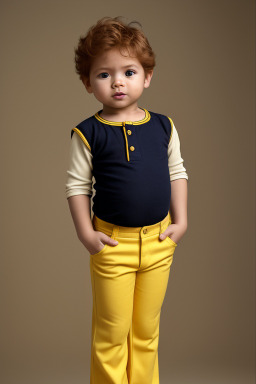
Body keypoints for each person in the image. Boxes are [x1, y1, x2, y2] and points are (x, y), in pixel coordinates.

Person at [65, 15, 189, 384]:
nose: (118, 82)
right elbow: (76, 187)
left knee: (146, 334)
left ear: (147, 76)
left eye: (129, 72)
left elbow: (177, 173)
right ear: (88, 82)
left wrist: (180, 223)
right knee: (111, 335)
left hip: (159, 241)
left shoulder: (163, 126)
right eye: (104, 74)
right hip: (112, 245)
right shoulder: (87, 133)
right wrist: (87, 235)